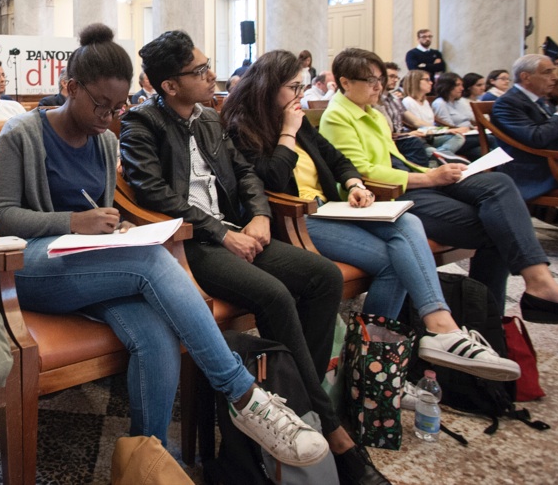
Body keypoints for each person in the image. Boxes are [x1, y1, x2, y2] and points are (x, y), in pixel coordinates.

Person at [0, 24, 329, 468]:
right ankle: (244, 395)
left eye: (118, 106)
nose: (108, 117)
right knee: (150, 261)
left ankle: (149, 460)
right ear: (70, 87)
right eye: (100, 104)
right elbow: (0, 217)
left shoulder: (105, 141)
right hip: (28, 266)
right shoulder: (22, 134)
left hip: (85, 268)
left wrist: (116, 228)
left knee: (157, 337)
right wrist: (72, 221)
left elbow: (102, 211)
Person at [120, 31, 379, 482]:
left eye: (207, 64)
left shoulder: (209, 117)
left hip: (236, 232)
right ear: (170, 86)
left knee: (323, 278)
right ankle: (331, 427)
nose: (211, 73)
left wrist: (259, 216)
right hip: (189, 244)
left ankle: (297, 403)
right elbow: (153, 193)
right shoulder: (140, 123)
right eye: (200, 70)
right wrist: (222, 233)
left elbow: (244, 173)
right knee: (275, 295)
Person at [222, 50, 519, 381]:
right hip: (296, 218)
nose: (301, 95)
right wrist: (288, 132)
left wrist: (353, 184)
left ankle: (434, 327)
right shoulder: (244, 126)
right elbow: (270, 180)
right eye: (294, 87)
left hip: (330, 208)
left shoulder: (296, 117)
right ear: (268, 85)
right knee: (395, 262)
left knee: (407, 222)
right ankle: (369, 368)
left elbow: (337, 160)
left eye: (303, 86)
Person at [319, 47, 558, 322]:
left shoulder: (372, 112)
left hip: (413, 178)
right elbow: (360, 172)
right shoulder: (337, 116)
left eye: (381, 79)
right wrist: (428, 178)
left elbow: (395, 159)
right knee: (498, 229)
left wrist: (438, 171)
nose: (379, 87)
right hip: (390, 195)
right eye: (371, 80)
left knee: (498, 182)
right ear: (345, 82)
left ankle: (538, 280)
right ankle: (485, 320)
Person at [491, 54, 558, 200]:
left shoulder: (541, 100)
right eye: (548, 72)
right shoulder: (507, 103)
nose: (555, 77)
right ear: (526, 77)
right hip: (536, 169)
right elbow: (536, 138)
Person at [374, 62, 433, 167]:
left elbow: (414, 121)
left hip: (402, 137)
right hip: (393, 139)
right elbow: (385, 131)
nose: (396, 80)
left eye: (397, 77)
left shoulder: (395, 99)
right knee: (415, 142)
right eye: (392, 76)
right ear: (381, 77)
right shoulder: (375, 100)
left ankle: (432, 163)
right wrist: (409, 134)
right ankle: (424, 174)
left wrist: (442, 129)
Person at [400, 70, 468, 157]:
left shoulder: (425, 101)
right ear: (415, 81)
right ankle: (441, 156)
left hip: (432, 136)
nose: (431, 83)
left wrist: (444, 131)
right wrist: (445, 130)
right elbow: (419, 125)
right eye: (427, 80)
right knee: (432, 150)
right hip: (420, 139)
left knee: (458, 137)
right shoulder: (408, 101)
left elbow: (431, 122)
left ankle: (440, 154)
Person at [431, 72, 491, 160]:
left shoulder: (460, 101)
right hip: (456, 138)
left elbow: (470, 118)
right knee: (490, 138)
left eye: (462, 85)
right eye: (458, 85)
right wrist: (469, 129)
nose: (462, 88)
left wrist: (473, 128)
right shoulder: (440, 103)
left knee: (483, 152)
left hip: (468, 134)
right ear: (448, 86)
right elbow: (447, 126)